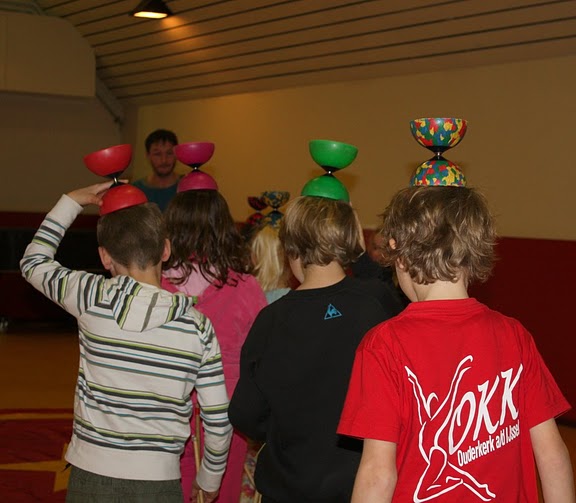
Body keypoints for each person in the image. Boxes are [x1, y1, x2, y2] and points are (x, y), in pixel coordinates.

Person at [338, 185, 574, 502]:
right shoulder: (513, 334)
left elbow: (378, 474)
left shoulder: (383, 345)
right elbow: (552, 453)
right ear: (474, 250)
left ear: (397, 250)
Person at [20, 181, 232, 503]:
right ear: (165, 249)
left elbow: (33, 262)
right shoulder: (198, 327)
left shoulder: (89, 295)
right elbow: (217, 418)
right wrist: (210, 477)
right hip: (159, 481)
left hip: (90, 474)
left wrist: (71, 202)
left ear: (105, 257)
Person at [228, 194, 405, 503]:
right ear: (351, 241)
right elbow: (388, 285)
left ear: (290, 248)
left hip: (287, 486)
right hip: (359, 486)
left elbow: (245, 413)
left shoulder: (271, 319)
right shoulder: (376, 302)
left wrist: (281, 426)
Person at [162, 179, 267, 503]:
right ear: (223, 226)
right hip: (226, 415)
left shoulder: (156, 287)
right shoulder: (245, 286)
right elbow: (261, 356)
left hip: (167, 414)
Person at [132, 129, 180, 211]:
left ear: (177, 154)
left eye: (169, 153)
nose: (164, 160)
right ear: (148, 155)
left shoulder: (187, 187)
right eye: (157, 154)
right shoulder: (136, 190)